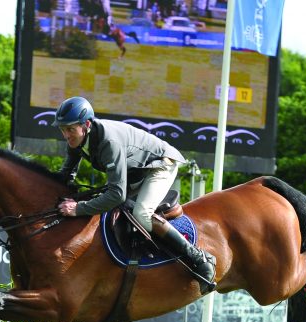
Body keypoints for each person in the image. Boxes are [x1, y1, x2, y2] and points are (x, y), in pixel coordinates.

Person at [52, 96, 215, 291]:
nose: (66, 135)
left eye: (70, 129)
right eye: (63, 129)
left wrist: (78, 209)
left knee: (141, 213)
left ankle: (199, 259)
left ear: (86, 124)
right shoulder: (76, 140)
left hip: (160, 164)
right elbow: (65, 175)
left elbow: (116, 195)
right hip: (135, 171)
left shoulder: (108, 141)